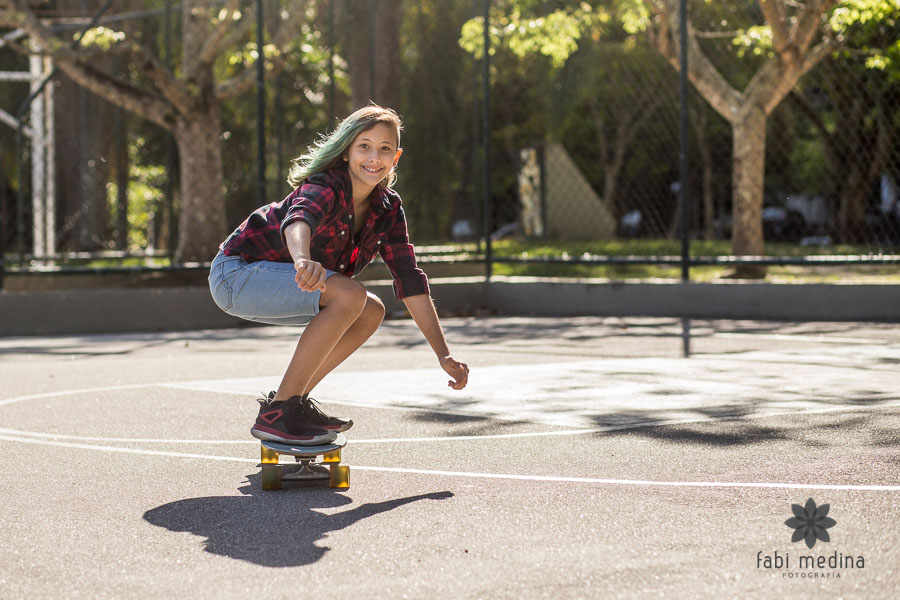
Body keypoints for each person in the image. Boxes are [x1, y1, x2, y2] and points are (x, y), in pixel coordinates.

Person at [209, 105, 469, 445]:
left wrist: (443, 354)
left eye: (385, 148)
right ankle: (280, 413)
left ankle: (290, 402)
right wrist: (302, 259)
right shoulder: (326, 186)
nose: (374, 156)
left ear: (396, 157)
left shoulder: (388, 209)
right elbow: (299, 220)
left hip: (275, 282)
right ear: (346, 151)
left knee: (371, 309)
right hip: (236, 274)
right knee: (351, 295)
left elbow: (409, 280)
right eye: (364, 146)